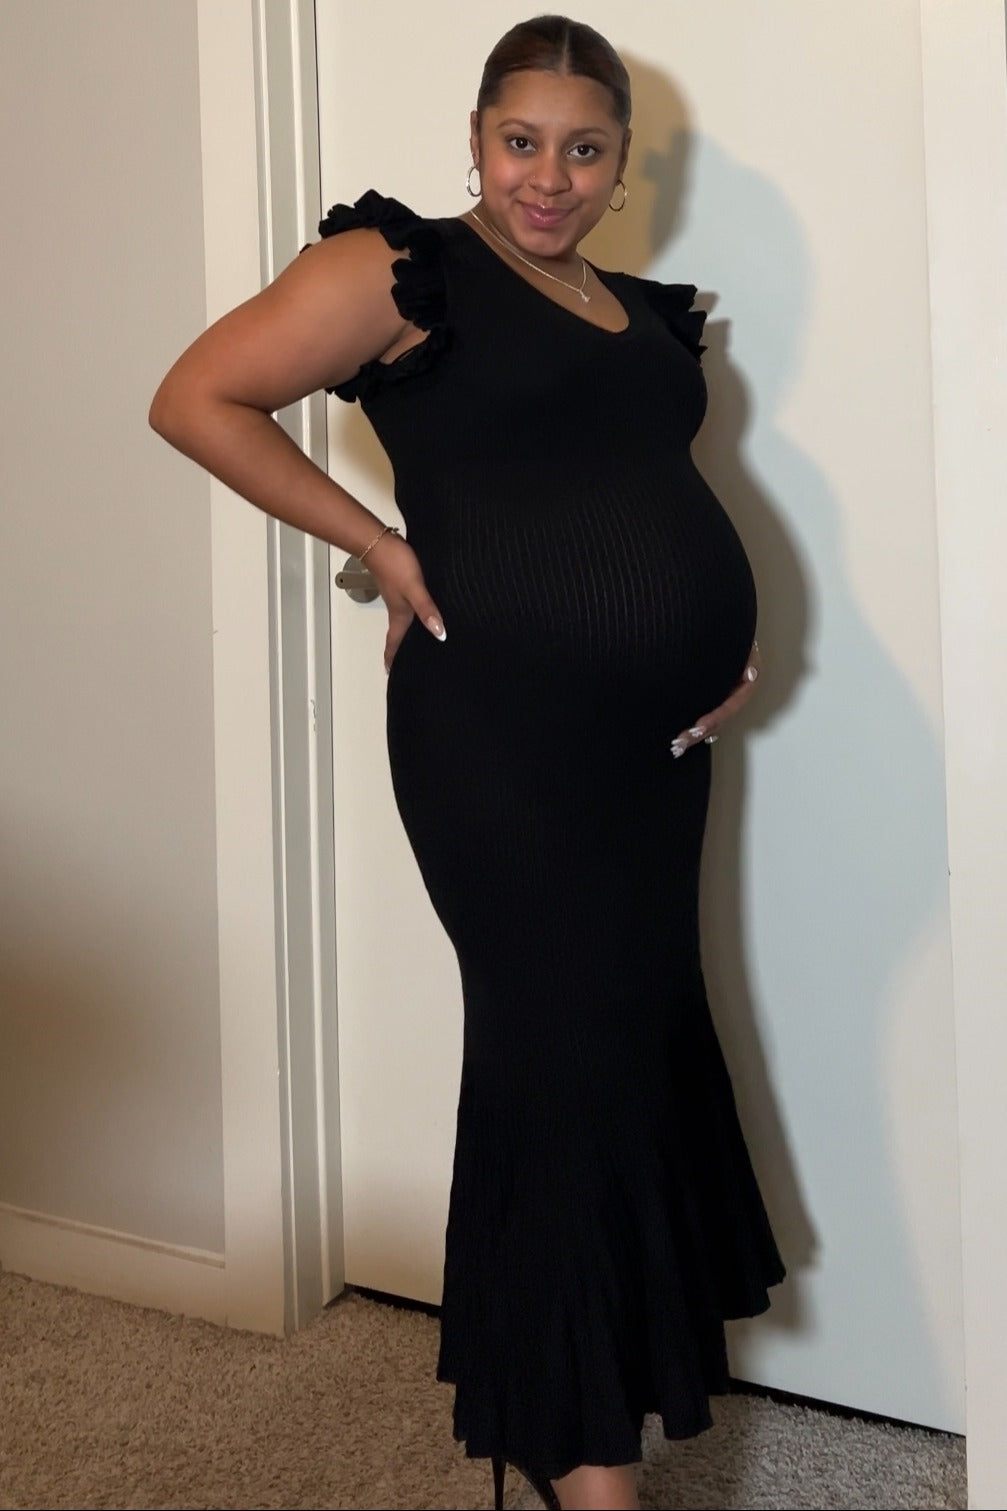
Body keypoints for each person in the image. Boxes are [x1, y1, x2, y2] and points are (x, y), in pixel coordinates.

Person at [150, 14, 785, 1510]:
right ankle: (578, 1461)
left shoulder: (640, 313)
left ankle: (594, 1394)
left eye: (585, 149)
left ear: (623, 164)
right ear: (478, 141)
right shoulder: (400, 268)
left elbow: (636, 487)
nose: (549, 177)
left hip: (652, 758)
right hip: (501, 741)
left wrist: (718, 645)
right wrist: (379, 545)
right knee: (557, 1062)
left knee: (628, 1050)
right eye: (522, 141)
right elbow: (196, 398)